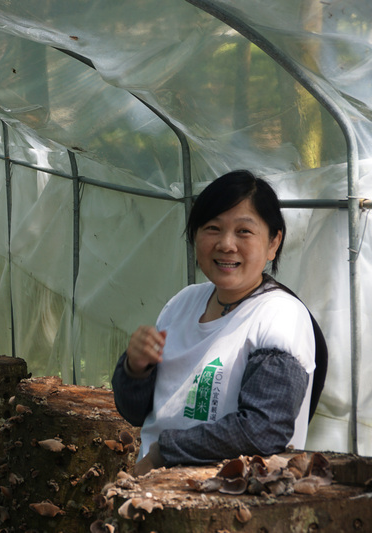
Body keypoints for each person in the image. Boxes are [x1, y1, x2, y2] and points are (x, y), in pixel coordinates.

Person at [112, 170, 323, 475]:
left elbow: (263, 430)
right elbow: (135, 412)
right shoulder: (183, 304)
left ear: (273, 243)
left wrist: (162, 455)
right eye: (212, 228)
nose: (226, 244)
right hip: (159, 489)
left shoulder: (279, 316)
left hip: (230, 497)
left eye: (244, 231)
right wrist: (135, 370)